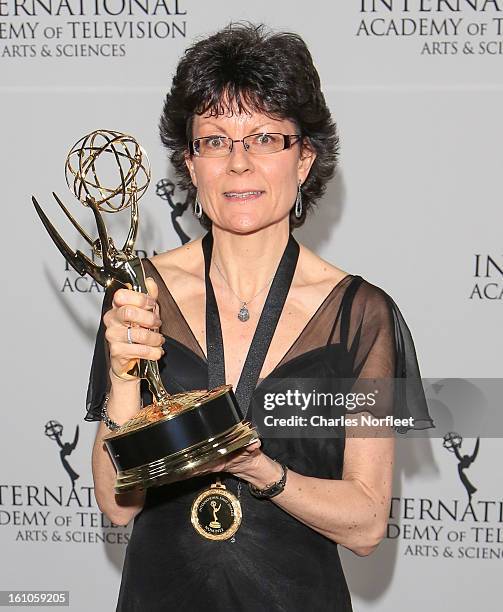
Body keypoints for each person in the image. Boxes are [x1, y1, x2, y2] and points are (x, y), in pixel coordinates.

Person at [85, 22, 433, 612]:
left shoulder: (360, 316)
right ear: (190, 166)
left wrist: (261, 469)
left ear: (304, 161)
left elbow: (369, 523)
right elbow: (118, 504)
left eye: (267, 138)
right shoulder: (139, 292)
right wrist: (123, 379)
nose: (239, 163)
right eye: (215, 140)